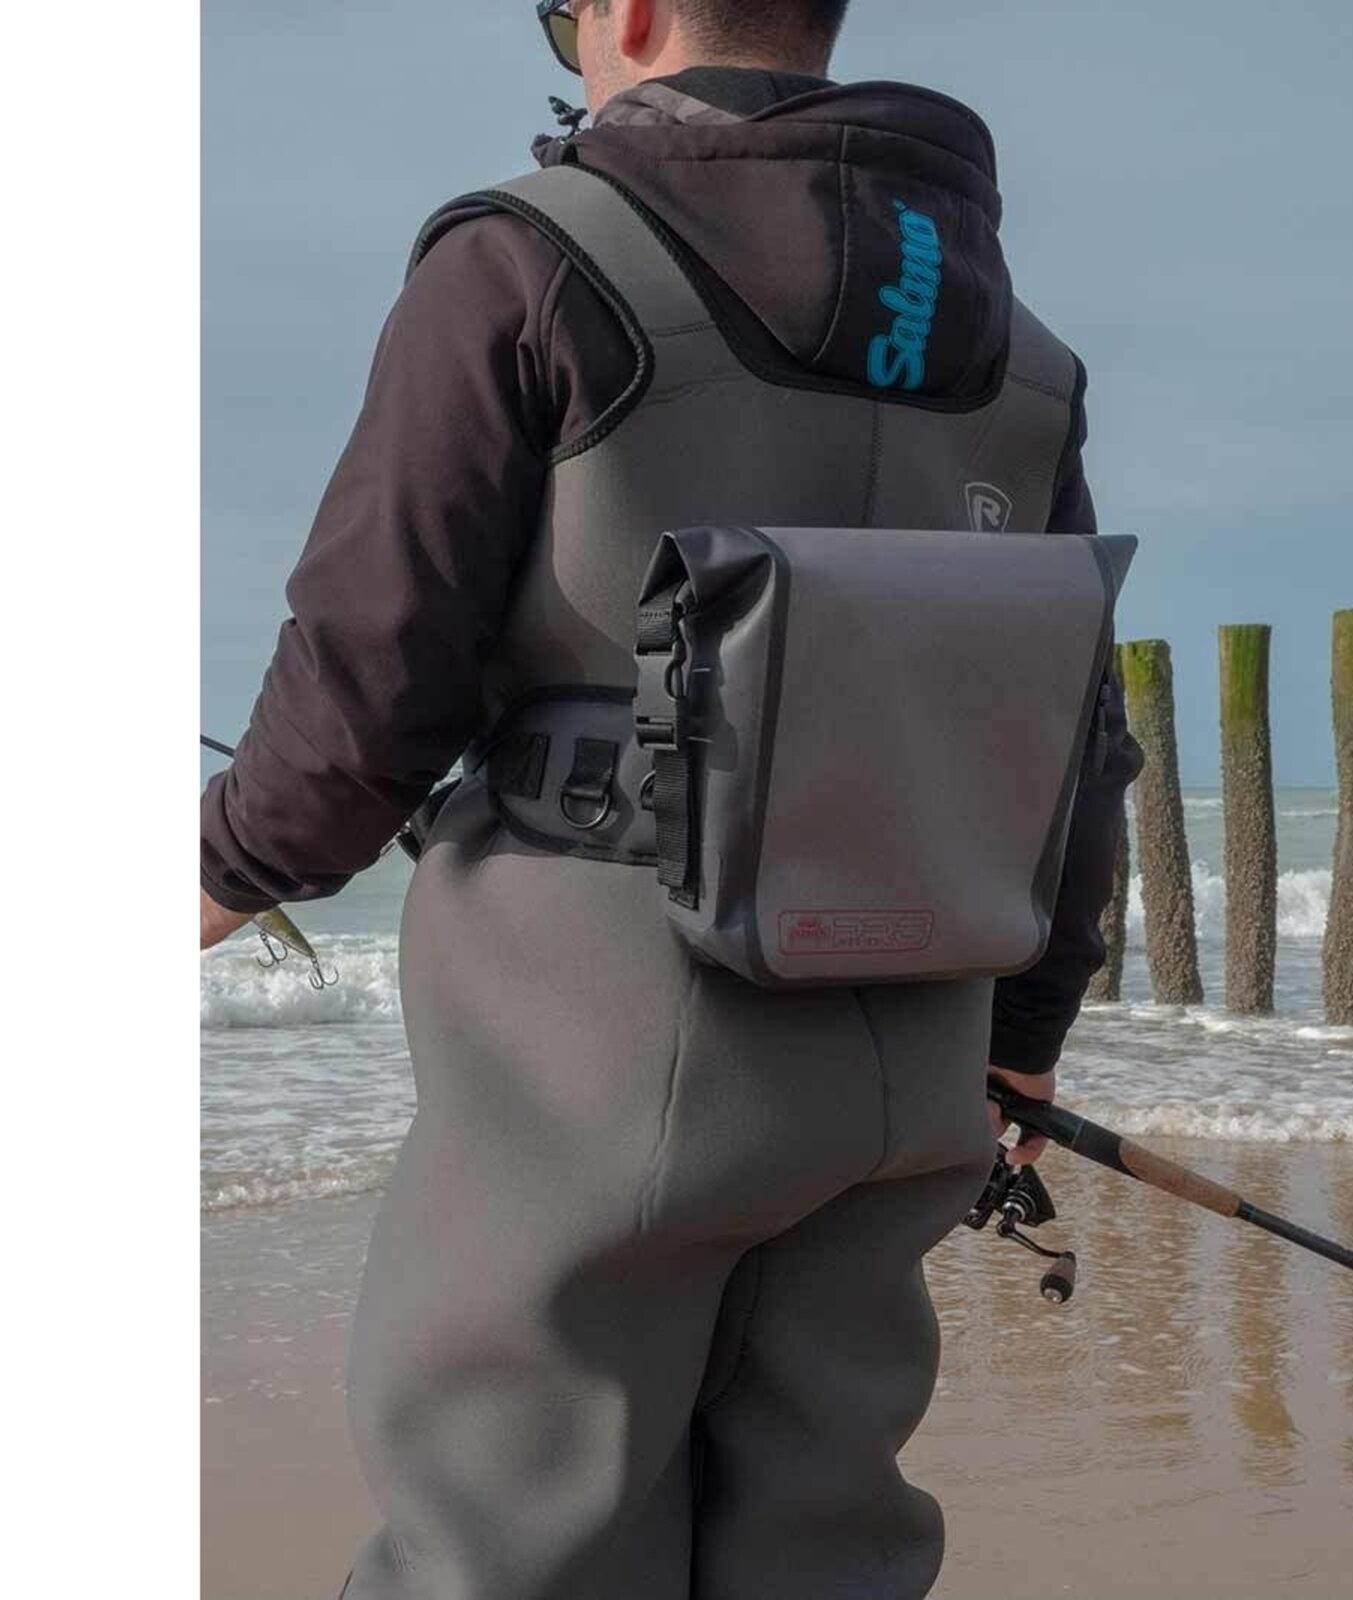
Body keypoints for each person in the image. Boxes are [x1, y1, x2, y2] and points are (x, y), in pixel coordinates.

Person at [199, 2, 1143, 1595]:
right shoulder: (1026, 359)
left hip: (597, 1040)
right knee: (823, 1546)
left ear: (626, 14)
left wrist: (219, 871)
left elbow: (370, 671)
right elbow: (1068, 735)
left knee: (511, 1543)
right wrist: (1024, 1033)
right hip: (911, 1042)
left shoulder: (528, 257)